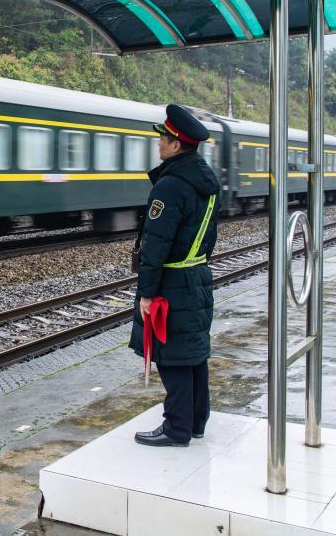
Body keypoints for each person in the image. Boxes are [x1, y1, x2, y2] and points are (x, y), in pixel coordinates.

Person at [129, 104, 221, 447]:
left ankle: (176, 427)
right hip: (197, 273)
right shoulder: (206, 181)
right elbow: (209, 236)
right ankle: (196, 421)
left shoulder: (170, 186)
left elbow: (155, 245)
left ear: (177, 145)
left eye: (163, 139)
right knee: (195, 352)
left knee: (172, 355)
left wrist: (147, 294)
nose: (159, 144)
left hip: (172, 281)